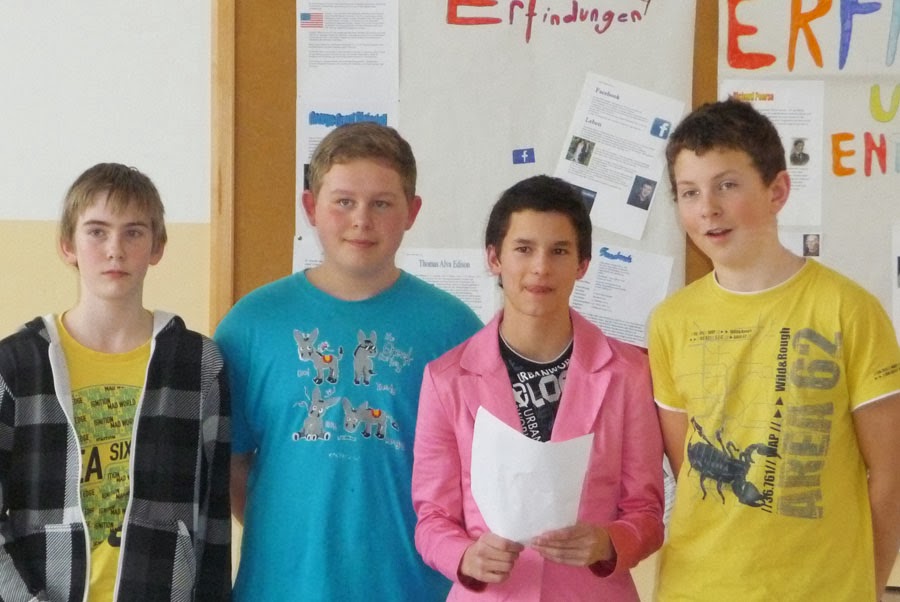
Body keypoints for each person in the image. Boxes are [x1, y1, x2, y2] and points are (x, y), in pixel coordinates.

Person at [215, 122, 482, 601]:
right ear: (310, 207)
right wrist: (293, 534)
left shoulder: (455, 330)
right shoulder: (251, 324)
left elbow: (476, 475)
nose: (361, 220)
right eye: (343, 201)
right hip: (283, 588)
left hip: (413, 588)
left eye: (382, 203)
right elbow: (229, 463)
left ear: (412, 212)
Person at [648, 99, 900, 601]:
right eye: (689, 192)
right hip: (698, 589)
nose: (707, 208)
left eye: (727, 185)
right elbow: (688, 467)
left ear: (777, 191)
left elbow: (890, 476)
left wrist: (867, 587)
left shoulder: (849, 309)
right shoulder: (670, 322)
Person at [412, 175, 665, 600]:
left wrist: (608, 543)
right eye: (524, 249)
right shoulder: (446, 380)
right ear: (494, 258)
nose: (541, 267)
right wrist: (465, 556)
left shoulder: (629, 373)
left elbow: (647, 512)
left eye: (559, 251)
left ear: (583, 265)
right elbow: (432, 517)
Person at [0, 163, 231, 601]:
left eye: (133, 232)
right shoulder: (16, 364)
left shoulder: (198, 364)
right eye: (97, 232)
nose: (115, 250)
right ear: (67, 245)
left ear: (157, 246)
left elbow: (213, 515)